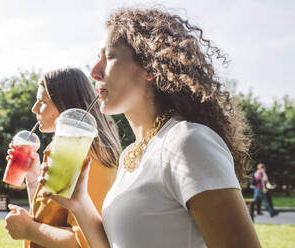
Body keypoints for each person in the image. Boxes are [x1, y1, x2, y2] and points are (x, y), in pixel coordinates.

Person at [39, 7, 262, 248]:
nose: (94, 71)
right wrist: (79, 203)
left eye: (110, 56)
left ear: (150, 67)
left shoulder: (188, 142)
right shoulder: (130, 156)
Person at [4, 67, 122, 248]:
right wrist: (32, 176)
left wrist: (28, 230)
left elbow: (84, 242)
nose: (34, 108)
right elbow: (49, 218)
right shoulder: (59, 150)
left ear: (67, 106)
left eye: (42, 101)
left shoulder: (90, 157)